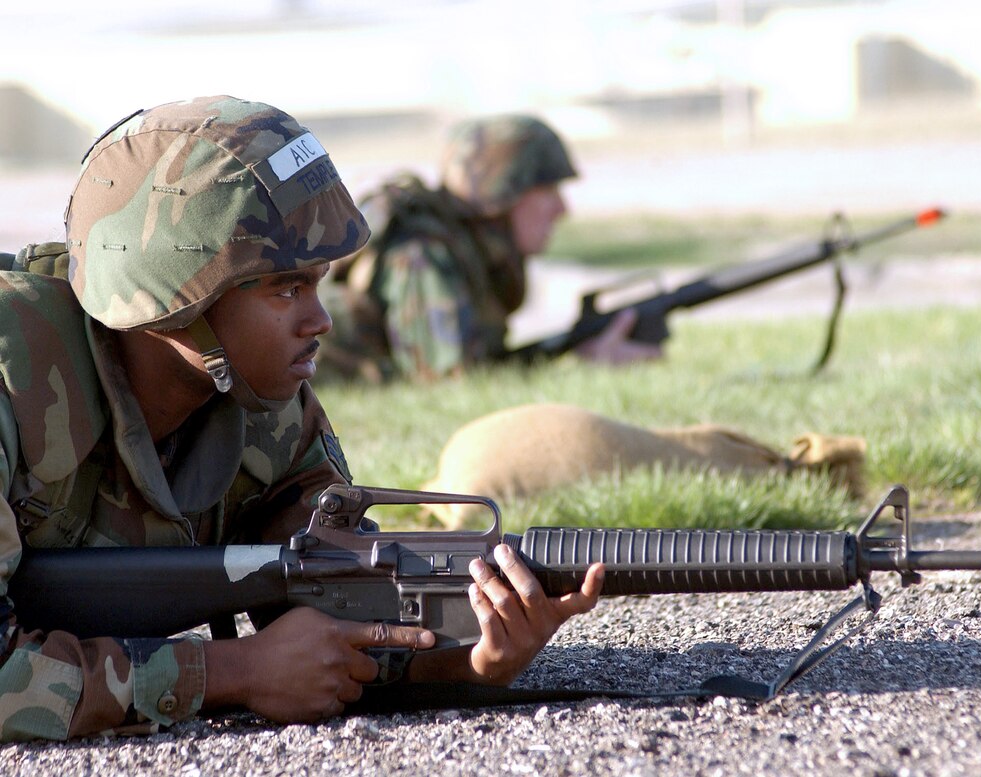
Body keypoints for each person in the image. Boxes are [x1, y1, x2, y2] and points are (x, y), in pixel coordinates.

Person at [0, 96, 604, 742]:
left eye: (318, 282)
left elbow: (347, 621)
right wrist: (230, 671)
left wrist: (475, 659)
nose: (321, 321)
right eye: (286, 287)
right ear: (178, 299)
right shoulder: (16, 378)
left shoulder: (263, 409)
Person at [318, 114, 662, 382]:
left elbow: (486, 366)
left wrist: (579, 351)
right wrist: (584, 369)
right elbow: (455, 385)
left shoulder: (470, 250)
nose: (562, 209)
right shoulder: (424, 253)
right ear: (502, 195)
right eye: (548, 192)